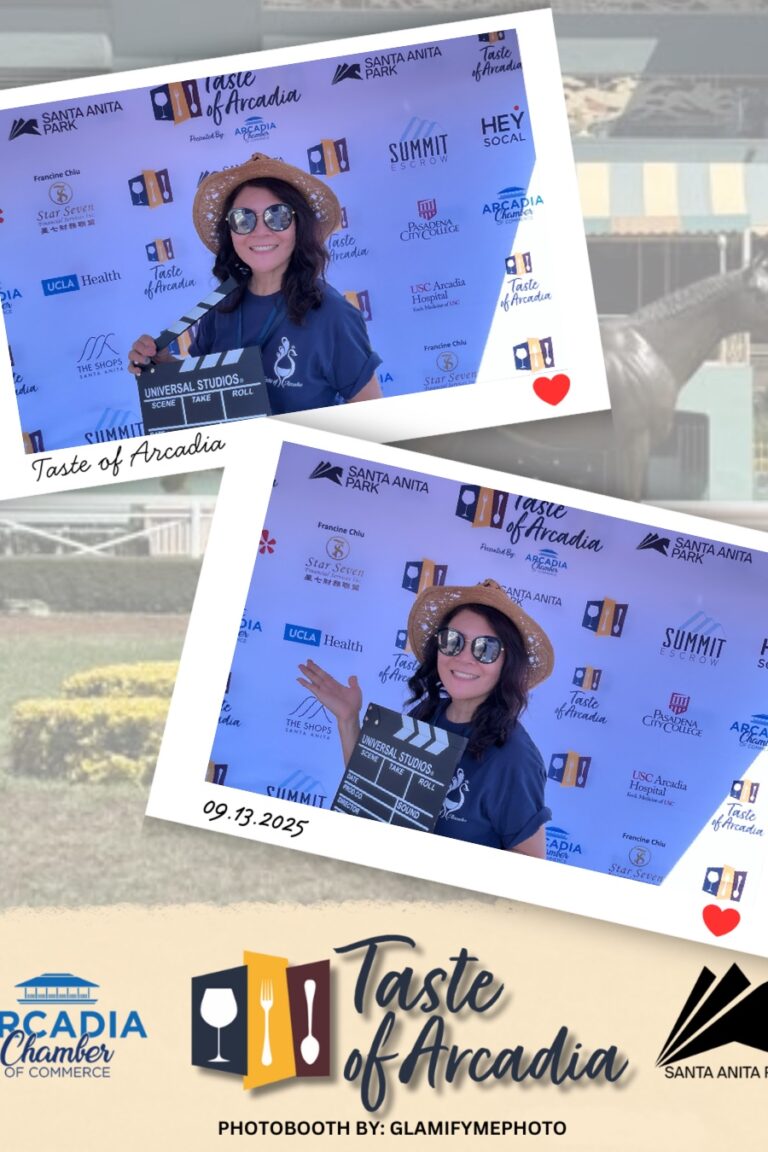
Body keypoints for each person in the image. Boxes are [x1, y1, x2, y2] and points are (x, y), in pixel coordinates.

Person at [298, 579, 554, 856]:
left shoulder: (513, 757)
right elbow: (376, 793)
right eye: (453, 641)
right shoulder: (428, 715)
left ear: (507, 663)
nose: (464, 658)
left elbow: (531, 865)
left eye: (486, 648)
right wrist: (348, 719)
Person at [128, 152, 383, 414]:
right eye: (243, 219)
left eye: (278, 216)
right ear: (230, 231)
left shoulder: (332, 316)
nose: (261, 231)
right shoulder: (219, 308)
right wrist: (163, 365)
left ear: (298, 225)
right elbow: (207, 395)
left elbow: (372, 420)